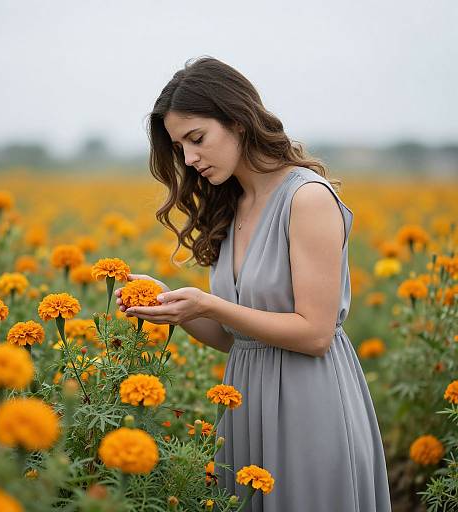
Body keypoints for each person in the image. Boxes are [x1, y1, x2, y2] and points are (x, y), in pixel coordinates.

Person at [115, 56, 392, 511]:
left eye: (197, 139)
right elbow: (236, 338)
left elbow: (316, 334)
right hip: (245, 404)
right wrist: (173, 305)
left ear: (238, 121)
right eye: (179, 146)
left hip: (310, 405)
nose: (189, 158)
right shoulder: (233, 205)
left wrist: (208, 303)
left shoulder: (307, 199)